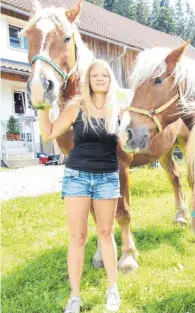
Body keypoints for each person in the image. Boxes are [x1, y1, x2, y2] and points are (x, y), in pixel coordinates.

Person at [38, 59, 122, 313]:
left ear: (110, 80)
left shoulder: (118, 107)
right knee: (78, 237)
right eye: (94, 75)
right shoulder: (77, 106)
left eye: (104, 75)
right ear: (88, 79)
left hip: (107, 177)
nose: (99, 78)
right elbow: (49, 132)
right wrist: (43, 106)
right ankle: (75, 296)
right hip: (77, 176)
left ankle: (112, 290)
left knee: (106, 234)